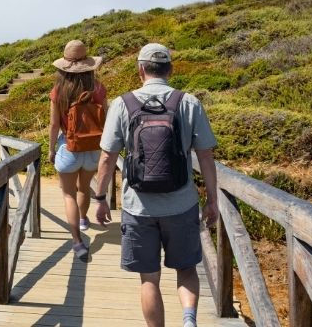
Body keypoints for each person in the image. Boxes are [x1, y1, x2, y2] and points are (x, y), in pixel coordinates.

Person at [93, 43, 219, 327]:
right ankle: (188, 319)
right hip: (182, 204)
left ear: (141, 70)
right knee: (186, 269)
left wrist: (100, 199)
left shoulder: (122, 104)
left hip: (138, 207)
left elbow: (107, 157)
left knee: (149, 279)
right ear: (170, 69)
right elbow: (206, 156)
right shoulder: (189, 103)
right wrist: (212, 200)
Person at [48, 40, 107, 262]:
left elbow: (54, 125)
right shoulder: (98, 88)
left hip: (69, 147)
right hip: (93, 147)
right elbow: (106, 119)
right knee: (84, 188)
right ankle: (83, 219)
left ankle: (77, 241)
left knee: (68, 194)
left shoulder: (59, 91)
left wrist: (51, 150)